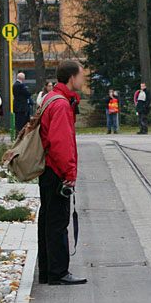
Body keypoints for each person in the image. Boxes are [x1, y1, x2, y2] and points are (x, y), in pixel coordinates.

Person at [37, 59, 87, 286]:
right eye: (81, 75)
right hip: (56, 170)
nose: (83, 78)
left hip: (47, 169)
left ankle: (47, 270)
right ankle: (58, 272)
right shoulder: (61, 104)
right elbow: (61, 143)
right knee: (58, 221)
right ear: (71, 78)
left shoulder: (50, 98)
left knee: (47, 219)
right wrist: (69, 173)